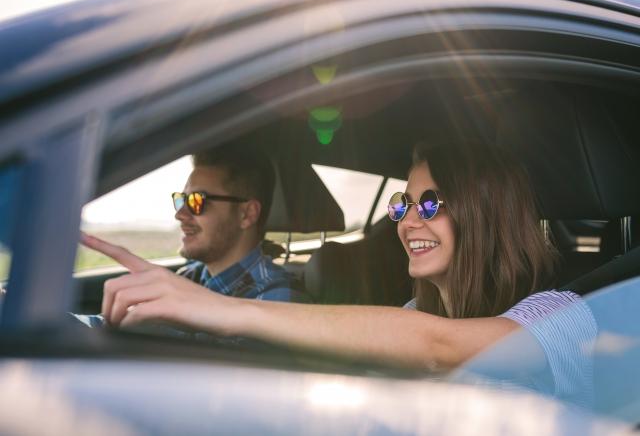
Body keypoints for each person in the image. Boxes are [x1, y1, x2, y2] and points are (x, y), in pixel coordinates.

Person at [81, 140, 596, 387]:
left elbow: (439, 350)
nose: (407, 221)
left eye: (431, 203)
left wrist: (218, 308)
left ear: (486, 214)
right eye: (402, 204)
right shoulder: (416, 309)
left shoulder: (564, 318)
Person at [75, 142, 311, 328]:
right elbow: (109, 325)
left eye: (197, 201)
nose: (180, 214)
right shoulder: (190, 277)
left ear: (247, 214)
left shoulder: (279, 299)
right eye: (182, 199)